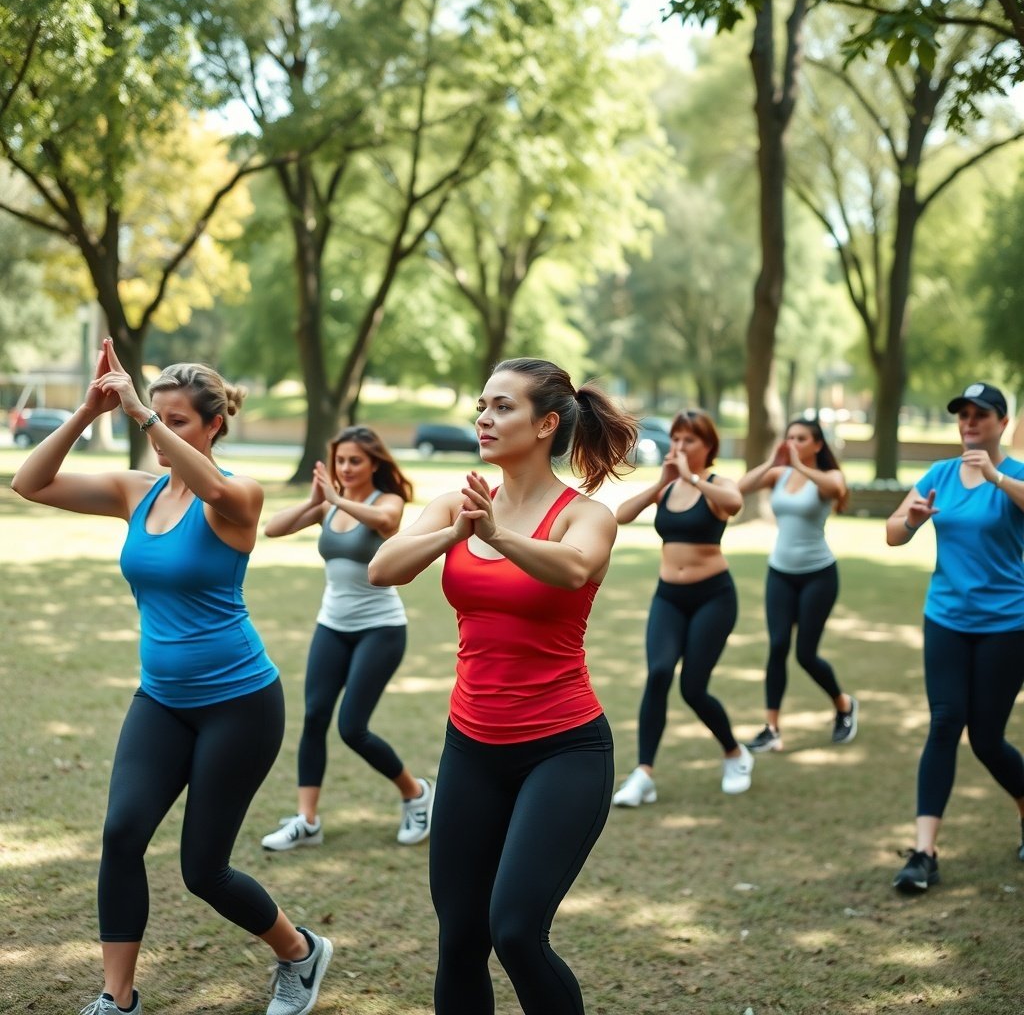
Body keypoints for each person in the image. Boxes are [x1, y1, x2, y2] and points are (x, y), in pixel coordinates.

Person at [11, 340, 332, 1015]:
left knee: (203, 872)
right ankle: (116, 997)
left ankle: (300, 952)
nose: (158, 433)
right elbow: (28, 483)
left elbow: (213, 486)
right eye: (153, 419)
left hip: (240, 704)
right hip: (160, 700)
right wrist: (86, 410)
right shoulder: (138, 491)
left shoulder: (238, 495)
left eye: (178, 420)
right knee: (122, 834)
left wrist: (141, 414)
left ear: (214, 424)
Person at [368, 357, 636, 1015]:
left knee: (514, 931)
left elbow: (573, 571)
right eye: (481, 406)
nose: (484, 419)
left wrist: (496, 533)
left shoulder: (586, 515)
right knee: (460, 938)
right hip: (472, 748)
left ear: (547, 424)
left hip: (564, 750)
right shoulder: (456, 503)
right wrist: (455, 532)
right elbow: (383, 567)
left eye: (502, 407)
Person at [258, 425, 434, 850]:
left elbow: (389, 522)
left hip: (381, 629)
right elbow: (272, 530)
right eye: (341, 460)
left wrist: (339, 500)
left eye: (356, 460)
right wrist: (316, 501)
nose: (347, 468)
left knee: (352, 727)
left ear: (375, 463)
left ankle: (416, 793)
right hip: (332, 625)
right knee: (315, 716)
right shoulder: (328, 506)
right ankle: (307, 820)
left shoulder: (385, 500)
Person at [886, 381, 1024, 894]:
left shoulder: (1014, 473)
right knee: (945, 722)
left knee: (987, 738)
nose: (969, 422)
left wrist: (994, 476)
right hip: (945, 618)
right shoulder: (940, 474)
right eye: (963, 414)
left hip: (1007, 625)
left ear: (1002, 423)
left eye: (980, 415)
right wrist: (913, 520)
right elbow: (892, 530)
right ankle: (924, 852)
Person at [612, 408, 753, 806]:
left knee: (693, 687)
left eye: (688, 440)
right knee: (658, 673)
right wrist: (661, 482)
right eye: (676, 439)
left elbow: (735, 502)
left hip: (713, 597)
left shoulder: (715, 483)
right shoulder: (667, 487)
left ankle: (734, 753)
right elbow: (621, 516)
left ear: (707, 445)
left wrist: (692, 478)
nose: (679, 446)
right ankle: (643, 775)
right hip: (668, 597)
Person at [736, 417, 857, 753]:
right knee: (777, 646)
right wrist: (771, 464)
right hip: (780, 573)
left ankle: (844, 704)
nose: (793, 443)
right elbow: (739, 488)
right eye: (789, 437)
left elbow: (835, 490)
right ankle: (772, 728)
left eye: (801, 438)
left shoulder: (826, 476)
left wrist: (798, 465)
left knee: (805, 653)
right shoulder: (781, 473)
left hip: (818, 575)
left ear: (817, 444)